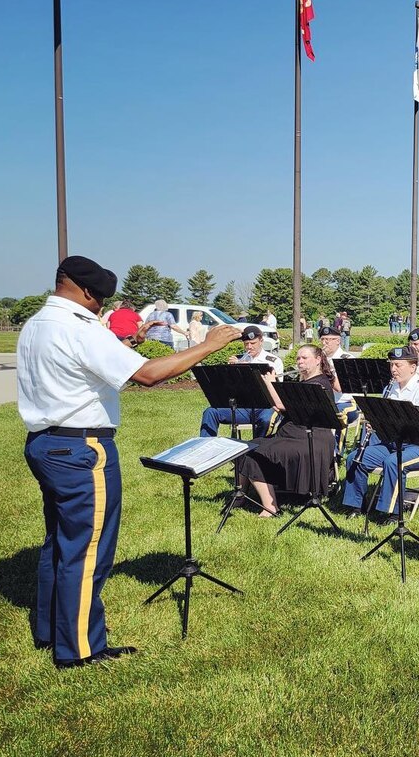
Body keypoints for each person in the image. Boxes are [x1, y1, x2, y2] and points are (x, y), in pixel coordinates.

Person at [18, 255, 240, 669]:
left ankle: (51, 631)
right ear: (84, 292)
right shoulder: (79, 328)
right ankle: (81, 649)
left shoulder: (37, 323)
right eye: (100, 298)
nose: (101, 306)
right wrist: (208, 346)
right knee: (86, 551)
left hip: (44, 444)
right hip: (82, 449)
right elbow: (149, 375)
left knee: (60, 544)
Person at [236, 345, 336, 516]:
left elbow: (283, 405)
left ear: (318, 360)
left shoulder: (319, 384)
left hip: (310, 439)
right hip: (292, 434)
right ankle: (240, 494)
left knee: (252, 452)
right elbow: (282, 406)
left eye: (304, 358)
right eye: (298, 358)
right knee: (244, 448)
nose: (299, 361)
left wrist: (271, 383)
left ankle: (271, 507)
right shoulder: (305, 381)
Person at [342, 347, 419, 521]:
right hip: (392, 442)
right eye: (392, 365)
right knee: (354, 458)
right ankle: (357, 506)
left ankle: (393, 512)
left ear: (413, 367)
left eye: (398, 365)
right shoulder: (390, 387)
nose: (393, 369)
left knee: (394, 462)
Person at [198, 326, 284, 438]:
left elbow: (277, 389)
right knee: (211, 412)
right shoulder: (241, 358)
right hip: (243, 407)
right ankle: (206, 447)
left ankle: (258, 449)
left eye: (253, 343)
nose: (249, 347)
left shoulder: (273, 361)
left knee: (265, 421)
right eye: (246, 344)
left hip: (266, 407)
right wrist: (231, 371)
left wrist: (245, 367)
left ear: (261, 341)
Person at [318, 326, 359, 425]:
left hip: (345, 403)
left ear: (338, 341)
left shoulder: (346, 359)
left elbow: (339, 388)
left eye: (328, 340)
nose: (324, 343)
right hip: (324, 401)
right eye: (322, 339)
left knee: (328, 417)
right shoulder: (320, 358)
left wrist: (325, 368)